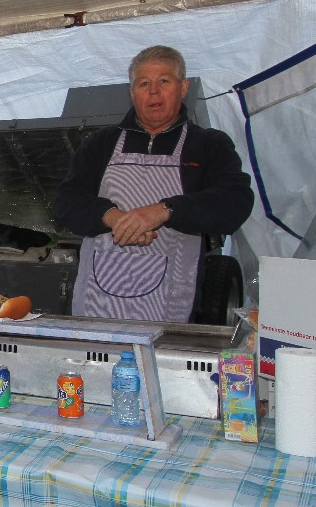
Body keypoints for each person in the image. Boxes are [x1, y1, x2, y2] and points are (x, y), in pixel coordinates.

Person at [53, 45, 254, 323]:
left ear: (183, 88)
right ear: (132, 92)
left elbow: (236, 201)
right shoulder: (101, 143)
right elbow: (66, 201)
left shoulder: (209, 144)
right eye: (144, 83)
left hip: (169, 304)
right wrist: (113, 217)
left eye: (164, 81)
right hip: (98, 304)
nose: (154, 92)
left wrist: (164, 211)